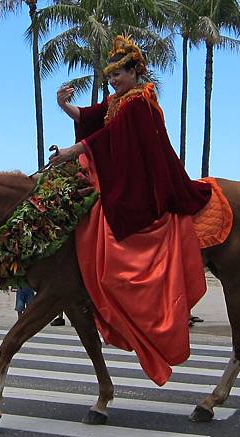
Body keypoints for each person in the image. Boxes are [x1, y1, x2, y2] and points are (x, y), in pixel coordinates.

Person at [50, 35, 212, 385]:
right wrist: (67, 108)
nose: (113, 81)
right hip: (125, 172)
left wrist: (71, 150)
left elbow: (111, 137)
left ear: (134, 71)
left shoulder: (139, 102)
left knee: (104, 226)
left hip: (142, 183)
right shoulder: (120, 100)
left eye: (117, 75)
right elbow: (95, 119)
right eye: (109, 77)